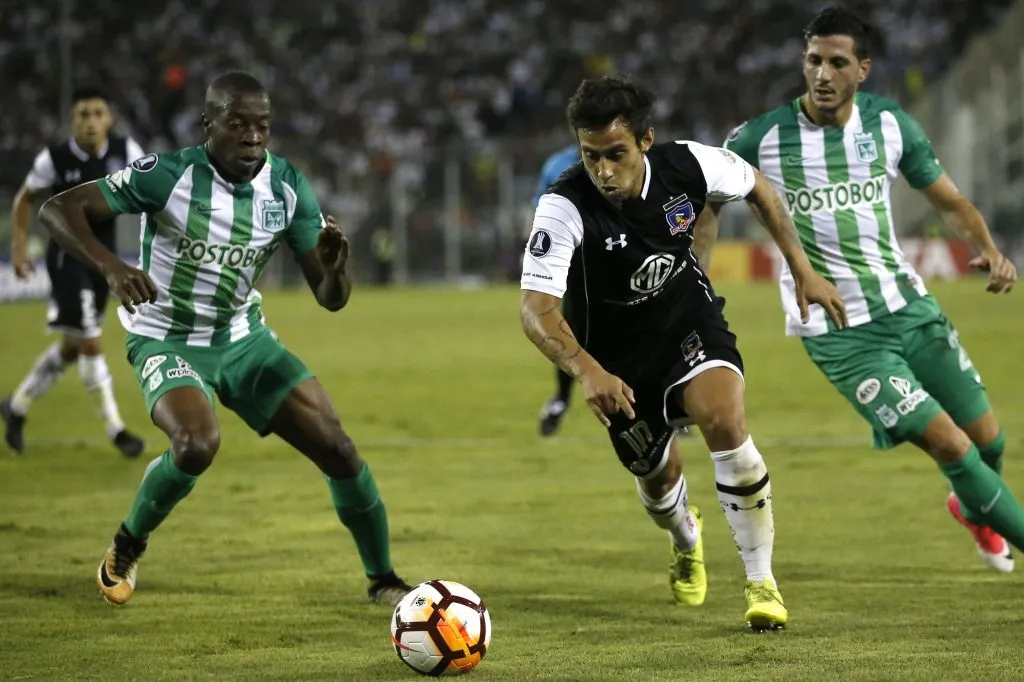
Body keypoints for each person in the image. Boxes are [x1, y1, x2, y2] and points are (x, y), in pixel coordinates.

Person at [37, 71, 414, 607]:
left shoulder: (287, 188)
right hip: (166, 338)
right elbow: (59, 209)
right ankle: (127, 544)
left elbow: (331, 298)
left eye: (262, 125)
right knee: (196, 444)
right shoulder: (167, 176)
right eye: (238, 124)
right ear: (207, 124)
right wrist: (112, 268)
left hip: (243, 339)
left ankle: (383, 581)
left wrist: (334, 270)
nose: (253, 136)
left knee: (338, 448)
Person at [519, 75, 848, 631]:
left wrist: (803, 270)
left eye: (616, 154)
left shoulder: (690, 164)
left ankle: (761, 581)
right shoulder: (563, 205)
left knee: (725, 420)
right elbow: (535, 309)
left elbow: (759, 189)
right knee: (657, 478)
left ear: (645, 141)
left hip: (686, 322)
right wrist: (590, 371)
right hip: (615, 359)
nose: (603, 171)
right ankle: (685, 536)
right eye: (591, 155)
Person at [713, 6, 1023, 572]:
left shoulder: (890, 125)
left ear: (863, 69)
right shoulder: (759, 138)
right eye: (813, 60)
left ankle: (975, 508)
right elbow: (706, 196)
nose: (822, 75)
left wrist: (989, 246)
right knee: (952, 445)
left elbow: (949, 201)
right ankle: (997, 515)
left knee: (990, 442)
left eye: (836, 63)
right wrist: (694, 278)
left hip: (910, 306)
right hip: (841, 333)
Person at [3, 87, 146, 457]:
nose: (91, 121)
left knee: (71, 347)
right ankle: (116, 431)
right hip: (68, 260)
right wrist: (19, 245)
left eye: (98, 113)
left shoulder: (125, 152)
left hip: (105, 262)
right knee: (90, 342)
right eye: (83, 114)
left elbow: (153, 193)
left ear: (109, 119)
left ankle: (16, 407)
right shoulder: (56, 157)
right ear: (72, 120)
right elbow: (25, 198)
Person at [531, 144, 581, 436]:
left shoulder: (626, 154)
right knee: (571, 328)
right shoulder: (557, 164)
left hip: (622, 254)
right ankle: (561, 400)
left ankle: (668, 405)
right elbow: (540, 207)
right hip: (576, 260)